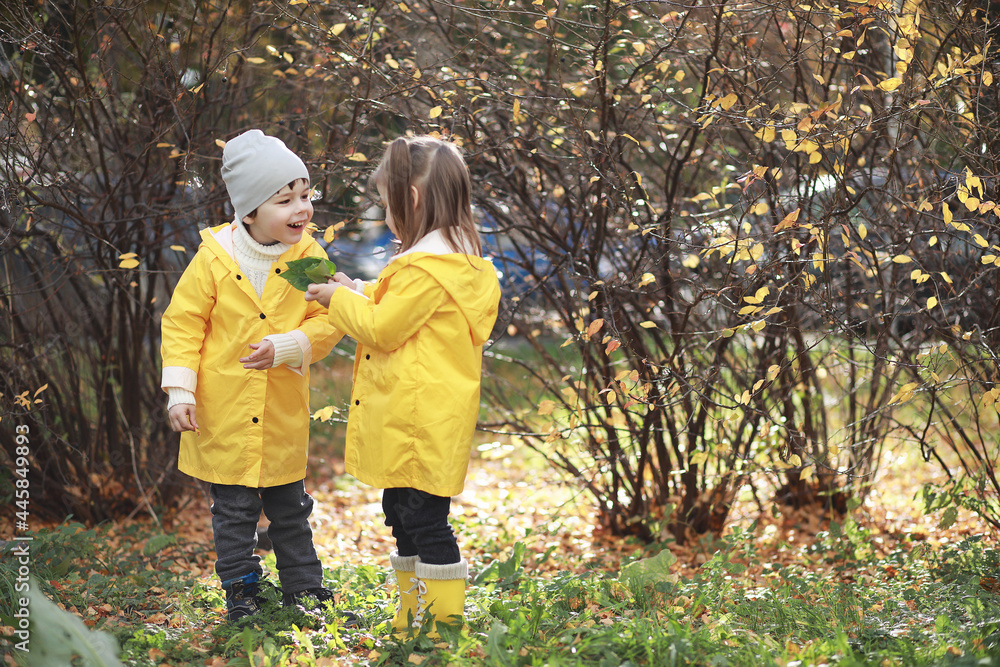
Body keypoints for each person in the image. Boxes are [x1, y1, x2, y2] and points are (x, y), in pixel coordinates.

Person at [305, 136, 501, 635]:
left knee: (424, 520)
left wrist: (335, 301)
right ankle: (414, 613)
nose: (386, 217)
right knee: (403, 512)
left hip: (417, 420)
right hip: (422, 417)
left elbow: (384, 328)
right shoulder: (454, 264)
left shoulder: (427, 270)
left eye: (388, 206)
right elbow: (400, 311)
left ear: (411, 202)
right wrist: (357, 291)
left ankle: (442, 621)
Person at [160, 129, 345, 623]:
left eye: (305, 195)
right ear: (249, 211)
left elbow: (327, 317)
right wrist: (181, 389)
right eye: (285, 200)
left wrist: (290, 346)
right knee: (235, 513)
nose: (301, 209)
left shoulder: (306, 257)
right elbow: (183, 322)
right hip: (225, 413)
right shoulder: (216, 259)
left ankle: (304, 588)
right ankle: (241, 590)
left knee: (291, 509)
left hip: (281, 411)